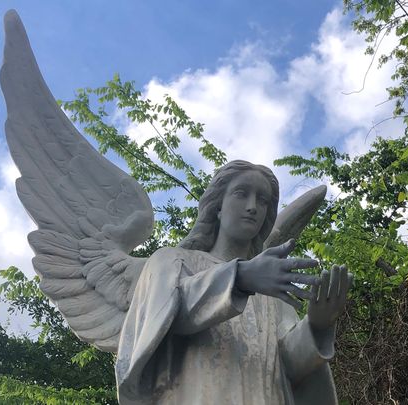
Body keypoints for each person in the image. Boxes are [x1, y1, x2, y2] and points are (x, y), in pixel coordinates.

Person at [115, 160, 351, 404]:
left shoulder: (271, 288)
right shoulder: (173, 260)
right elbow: (162, 315)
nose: (252, 207)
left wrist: (316, 327)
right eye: (241, 193)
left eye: (262, 200)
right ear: (218, 205)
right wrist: (240, 277)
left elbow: (288, 364)